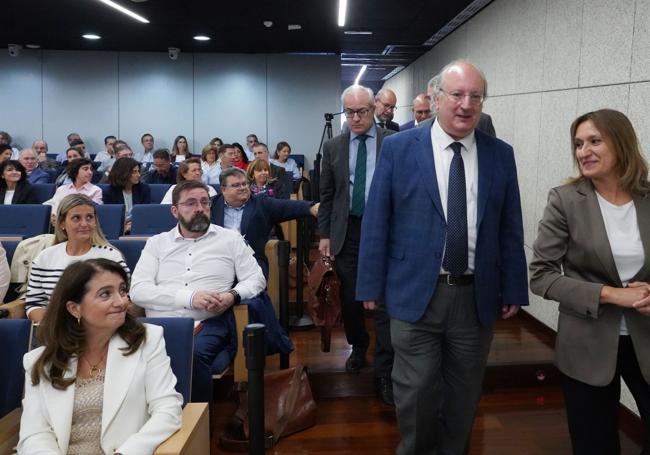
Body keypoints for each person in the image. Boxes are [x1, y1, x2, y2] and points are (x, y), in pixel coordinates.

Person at [356, 60, 528, 454]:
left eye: (475, 96)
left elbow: (509, 225)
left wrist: (514, 288)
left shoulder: (500, 155)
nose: (466, 104)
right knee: (415, 390)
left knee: (464, 392)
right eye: (457, 94)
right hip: (414, 291)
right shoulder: (399, 148)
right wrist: (370, 283)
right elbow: (377, 219)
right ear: (436, 98)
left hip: (475, 296)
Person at [529, 109, 650, 455]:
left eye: (595, 141)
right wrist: (612, 295)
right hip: (587, 343)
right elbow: (541, 275)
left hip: (645, 338)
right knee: (595, 443)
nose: (584, 151)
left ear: (621, 144)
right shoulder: (565, 201)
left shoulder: (647, 197)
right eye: (579, 144)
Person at [18, 258, 182, 455]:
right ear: (74, 308)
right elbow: (35, 433)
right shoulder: (39, 361)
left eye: (122, 290)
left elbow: (167, 410)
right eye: (106, 294)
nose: (121, 301)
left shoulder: (148, 341)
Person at [130, 180, 266, 402]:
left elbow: (256, 278)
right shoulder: (157, 243)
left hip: (208, 323)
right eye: (191, 203)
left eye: (204, 202)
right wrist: (190, 298)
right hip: (158, 324)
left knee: (191, 354)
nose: (200, 208)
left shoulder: (229, 239)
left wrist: (232, 296)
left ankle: (198, 425)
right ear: (175, 211)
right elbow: (138, 290)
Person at [318, 84, 396, 403]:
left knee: (384, 303)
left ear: (374, 109)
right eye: (349, 112)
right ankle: (359, 346)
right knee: (350, 299)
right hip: (347, 230)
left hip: (386, 230)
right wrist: (324, 234)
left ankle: (385, 369)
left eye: (361, 111)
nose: (355, 118)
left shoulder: (393, 142)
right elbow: (325, 196)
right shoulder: (334, 147)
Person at [26, 194, 129, 324]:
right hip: (55, 332)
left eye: (89, 217)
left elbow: (125, 301)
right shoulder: (45, 257)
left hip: (101, 330)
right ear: (62, 223)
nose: (84, 224)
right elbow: (34, 304)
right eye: (76, 218)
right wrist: (59, 328)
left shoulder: (111, 257)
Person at [212, 167, 318, 278]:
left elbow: (286, 206)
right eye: (236, 185)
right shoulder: (212, 205)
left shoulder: (261, 204)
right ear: (223, 189)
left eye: (245, 184)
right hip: (219, 263)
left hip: (251, 264)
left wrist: (311, 207)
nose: (242, 188)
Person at [419, 74, 497, 137]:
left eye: (475, 96)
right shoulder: (419, 129)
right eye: (430, 98)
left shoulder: (483, 121)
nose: (466, 105)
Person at [102, 157, 152, 233]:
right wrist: (123, 226)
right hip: (116, 228)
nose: (138, 175)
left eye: (138, 171)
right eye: (134, 172)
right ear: (123, 173)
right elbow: (110, 216)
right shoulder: (109, 192)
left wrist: (133, 225)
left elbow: (145, 213)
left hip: (138, 227)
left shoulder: (144, 189)